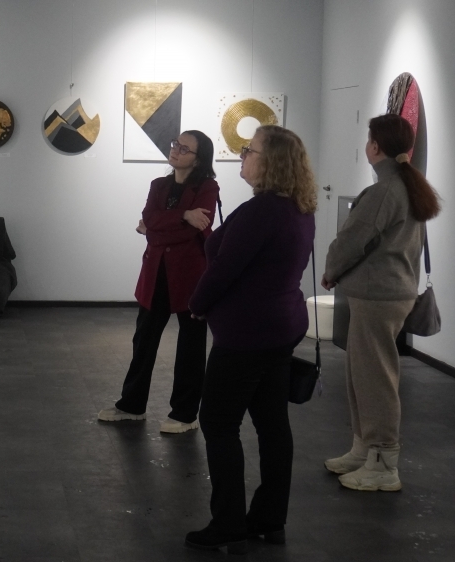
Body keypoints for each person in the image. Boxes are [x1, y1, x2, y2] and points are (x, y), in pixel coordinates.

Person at [186, 126, 317, 553]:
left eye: (250, 150)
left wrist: (198, 304)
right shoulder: (299, 208)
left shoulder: (261, 211)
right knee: (272, 424)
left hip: (246, 334)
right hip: (281, 329)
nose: (242, 156)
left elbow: (224, 268)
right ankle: (269, 519)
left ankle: (228, 524)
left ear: (271, 161)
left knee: (218, 423)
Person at [322, 114, 440, 492]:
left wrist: (331, 270)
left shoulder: (385, 190)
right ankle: (364, 449)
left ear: (375, 146)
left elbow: (352, 239)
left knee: (375, 379)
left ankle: (383, 461)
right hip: (388, 293)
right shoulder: (406, 186)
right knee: (362, 375)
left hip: (378, 296)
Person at [98, 131, 219, 433]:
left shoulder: (207, 187)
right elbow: (149, 219)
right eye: (176, 145)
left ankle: (185, 414)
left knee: (191, 347)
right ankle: (132, 405)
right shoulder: (159, 185)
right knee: (143, 341)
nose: (176, 150)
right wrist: (183, 215)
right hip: (156, 276)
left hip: (190, 277)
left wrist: (155, 230)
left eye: (185, 148)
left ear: (198, 159)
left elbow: (189, 230)